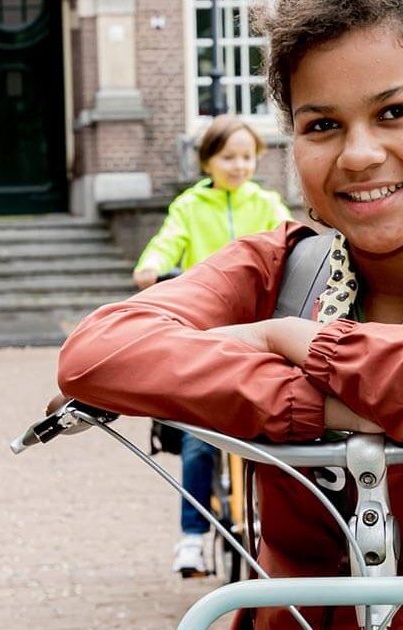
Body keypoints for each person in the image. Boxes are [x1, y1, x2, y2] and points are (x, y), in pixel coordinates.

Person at [53, 0, 403, 626]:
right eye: (322, 125)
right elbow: (100, 352)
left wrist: (301, 342)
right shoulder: (276, 268)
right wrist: (320, 406)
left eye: (396, 112)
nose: (357, 154)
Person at [131, 113, 293, 576]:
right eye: (229, 157)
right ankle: (192, 536)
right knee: (200, 443)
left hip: (258, 334)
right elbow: (166, 246)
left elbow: (290, 240)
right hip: (206, 333)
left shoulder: (266, 203)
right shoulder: (188, 207)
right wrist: (153, 266)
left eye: (247, 157)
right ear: (208, 161)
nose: (239, 166)